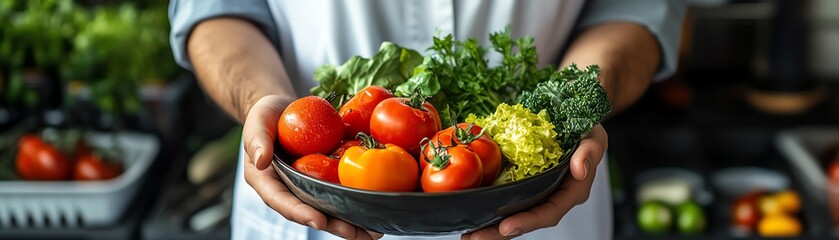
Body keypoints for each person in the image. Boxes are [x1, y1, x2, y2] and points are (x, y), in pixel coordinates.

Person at [169, 1, 685, 239]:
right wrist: (264, 100)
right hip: (311, 187)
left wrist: (575, 104)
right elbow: (213, 10)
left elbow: (635, 10)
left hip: (530, 199)